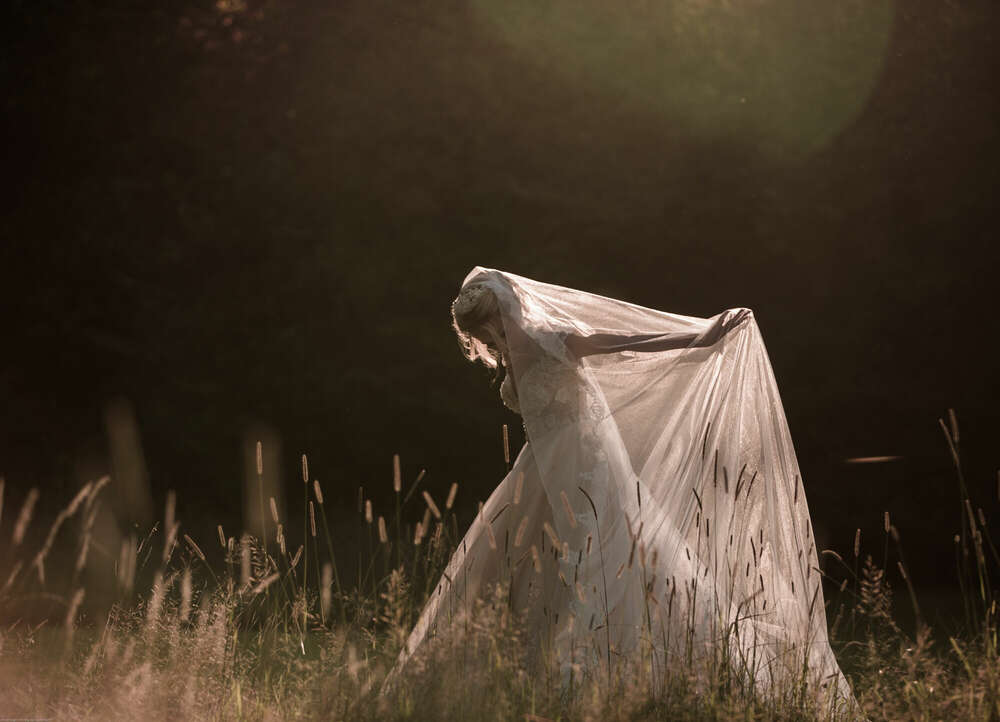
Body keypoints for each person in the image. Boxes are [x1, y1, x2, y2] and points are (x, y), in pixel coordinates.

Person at [393, 266, 858, 716]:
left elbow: (625, 343)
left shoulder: (548, 337)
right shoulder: (515, 349)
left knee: (606, 557)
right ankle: (529, 673)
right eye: (484, 336)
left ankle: (611, 676)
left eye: (489, 329)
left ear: (502, 311)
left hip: (585, 462)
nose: (490, 342)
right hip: (539, 468)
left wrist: (702, 335)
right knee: (524, 564)